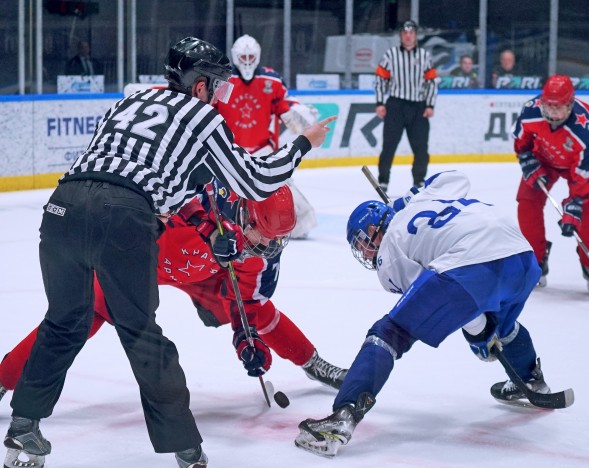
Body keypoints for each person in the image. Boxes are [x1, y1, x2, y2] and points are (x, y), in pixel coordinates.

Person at [3, 36, 334, 468]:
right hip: (122, 222)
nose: (220, 96)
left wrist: (199, 222)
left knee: (63, 323)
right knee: (143, 337)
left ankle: (23, 428)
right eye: (217, 86)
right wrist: (303, 143)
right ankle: (186, 449)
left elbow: (142, 172)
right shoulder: (202, 118)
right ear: (200, 86)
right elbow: (256, 181)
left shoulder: (131, 102)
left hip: (63, 208)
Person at [293, 170, 565, 458]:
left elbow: (443, 298)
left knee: (387, 333)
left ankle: (342, 418)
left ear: (373, 231)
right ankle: (532, 379)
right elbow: (457, 177)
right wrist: (411, 197)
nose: (364, 251)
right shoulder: (426, 197)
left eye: (361, 242)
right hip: (521, 255)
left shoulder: (388, 254)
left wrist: (479, 333)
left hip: (471, 263)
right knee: (505, 329)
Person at [0, 185, 346, 404]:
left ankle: (313, 363)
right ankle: (3, 379)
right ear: (243, 216)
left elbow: (246, 303)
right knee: (80, 316)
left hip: (205, 273)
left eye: (277, 240)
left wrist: (247, 342)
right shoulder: (198, 195)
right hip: (141, 264)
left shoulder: (256, 250)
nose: (269, 248)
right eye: (265, 236)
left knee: (257, 310)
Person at [215, 34, 319, 239]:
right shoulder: (223, 81)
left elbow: (285, 104)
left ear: (258, 56)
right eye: (242, 57)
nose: (247, 62)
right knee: (223, 205)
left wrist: (298, 112)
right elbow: (208, 108)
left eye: (250, 57)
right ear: (235, 57)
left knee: (300, 220)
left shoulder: (271, 80)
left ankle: (283, 222)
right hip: (230, 152)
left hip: (264, 152)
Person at [513, 74, 589, 295]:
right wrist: (527, 160)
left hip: (579, 167)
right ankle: (536, 260)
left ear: (570, 105)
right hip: (544, 160)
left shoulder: (586, 131)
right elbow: (521, 142)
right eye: (549, 106)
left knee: (587, 211)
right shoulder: (530, 111)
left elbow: (583, 173)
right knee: (526, 203)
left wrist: (575, 203)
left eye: (559, 107)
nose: (553, 112)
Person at [374, 19, 438, 192]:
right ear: (401, 36)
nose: (408, 36)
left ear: (416, 35)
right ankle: (383, 180)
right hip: (396, 105)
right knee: (389, 145)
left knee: (421, 148)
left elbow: (431, 82)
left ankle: (419, 181)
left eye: (411, 33)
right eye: (405, 33)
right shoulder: (390, 55)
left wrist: (430, 104)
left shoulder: (424, 56)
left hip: (418, 106)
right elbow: (381, 79)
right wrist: (380, 102)